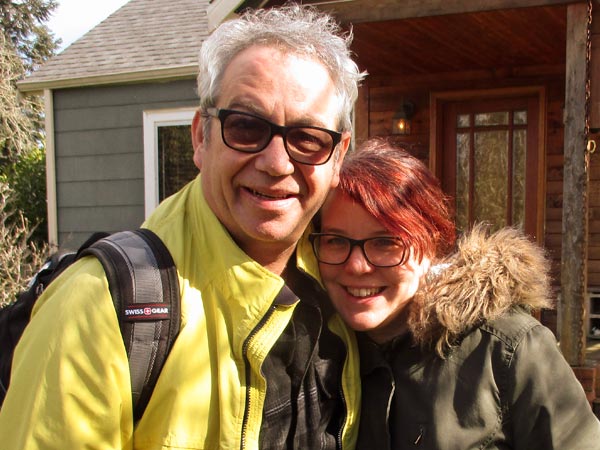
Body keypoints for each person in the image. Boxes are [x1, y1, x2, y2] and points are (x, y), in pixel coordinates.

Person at [0, 5, 365, 449]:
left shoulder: (349, 279)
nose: (275, 162)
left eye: (308, 138)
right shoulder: (99, 310)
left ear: (339, 156)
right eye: (247, 127)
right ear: (200, 137)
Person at [310, 137, 600, 449]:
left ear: (432, 246)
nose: (356, 266)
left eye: (385, 242)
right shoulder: (314, 350)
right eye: (335, 241)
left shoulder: (507, 350)